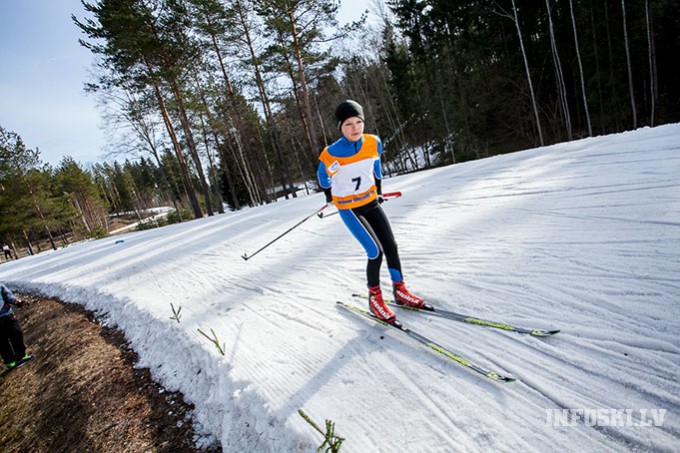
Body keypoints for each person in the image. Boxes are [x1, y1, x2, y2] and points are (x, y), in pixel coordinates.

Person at [317, 100, 428, 323]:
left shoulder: (373, 142)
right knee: (375, 251)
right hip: (350, 208)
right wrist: (330, 195)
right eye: (348, 124)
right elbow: (322, 177)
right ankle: (375, 298)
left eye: (359, 122)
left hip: (370, 202)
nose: (355, 128)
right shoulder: (331, 153)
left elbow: (376, 167)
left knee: (391, 246)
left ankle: (400, 290)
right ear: (340, 127)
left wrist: (378, 190)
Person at [0, 284, 32, 370]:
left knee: (17, 334)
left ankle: (21, 356)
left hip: (7, 315)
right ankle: (9, 361)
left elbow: (8, 296)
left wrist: (16, 301)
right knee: (2, 342)